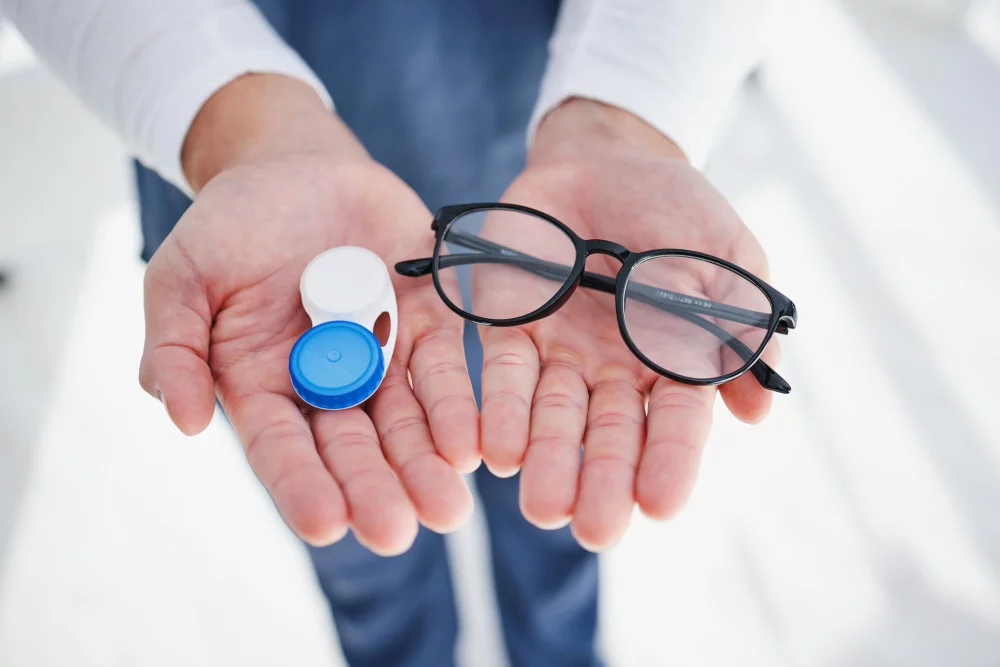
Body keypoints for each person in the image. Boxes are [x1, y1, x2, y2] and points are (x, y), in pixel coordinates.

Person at [1, 1, 778, 665]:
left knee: (560, 476)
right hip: (258, 216)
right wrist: (229, 118)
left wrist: (629, 110)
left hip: (524, 185)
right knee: (360, 527)